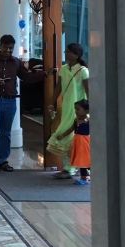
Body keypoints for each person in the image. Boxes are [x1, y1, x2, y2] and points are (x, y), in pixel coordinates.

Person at [0, 34, 54, 173]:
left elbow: (27, 77)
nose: (8, 50)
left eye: (10, 48)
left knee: (6, 132)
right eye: (5, 47)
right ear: (0, 46)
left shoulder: (16, 62)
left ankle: (3, 160)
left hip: (10, 100)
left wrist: (45, 74)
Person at [46, 43, 90, 178]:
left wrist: (89, 110)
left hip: (79, 110)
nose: (65, 53)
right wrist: (52, 103)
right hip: (67, 107)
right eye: (65, 51)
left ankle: (70, 168)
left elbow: (88, 91)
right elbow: (58, 87)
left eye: (68, 52)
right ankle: (74, 167)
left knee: (74, 136)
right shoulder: (64, 69)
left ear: (76, 55)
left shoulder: (83, 70)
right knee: (67, 134)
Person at [55, 99, 91, 185]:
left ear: (86, 111)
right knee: (81, 160)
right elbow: (72, 128)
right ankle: (84, 177)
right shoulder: (76, 119)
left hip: (85, 142)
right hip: (77, 141)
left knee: (84, 160)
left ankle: (86, 177)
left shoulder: (88, 121)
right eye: (75, 109)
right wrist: (63, 135)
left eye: (78, 109)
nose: (76, 111)